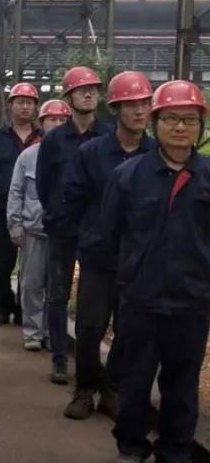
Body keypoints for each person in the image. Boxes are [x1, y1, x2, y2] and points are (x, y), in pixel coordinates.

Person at [89, 80, 209, 463]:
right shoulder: (129, 176)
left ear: (200, 126)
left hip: (192, 299)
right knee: (135, 377)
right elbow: (107, 235)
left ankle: (176, 453)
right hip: (141, 297)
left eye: (189, 119)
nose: (180, 127)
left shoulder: (207, 177)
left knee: (182, 380)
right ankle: (131, 447)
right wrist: (123, 279)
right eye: (171, 118)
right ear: (156, 123)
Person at [60, 71, 154, 421]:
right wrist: (89, 235)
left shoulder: (156, 153)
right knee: (89, 326)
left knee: (128, 329)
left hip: (139, 260)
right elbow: (72, 200)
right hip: (99, 257)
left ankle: (112, 389)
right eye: (131, 105)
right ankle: (85, 390)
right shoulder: (92, 153)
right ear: (115, 109)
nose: (139, 112)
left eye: (144, 104)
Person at [36, 66, 111, 386]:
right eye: (82, 89)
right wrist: (57, 213)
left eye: (93, 89)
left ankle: (89, 363)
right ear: (69, 97)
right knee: (58, 293)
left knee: (95, 298)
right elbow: (43, 184)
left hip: (97, 229)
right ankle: (59, 358)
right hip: (62, 228)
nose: (89, 93)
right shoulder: (54, 140)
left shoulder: (108, 136)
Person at [7, 99, 71, 351]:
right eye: (52, 119)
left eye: (62, 120)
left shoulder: (76, 155)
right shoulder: (28, 157)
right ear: (41, 123)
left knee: (58, 288)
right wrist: (15, 225)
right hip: (34, 231)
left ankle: (51, 332)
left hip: (63, 234)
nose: (57, 124)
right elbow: (16, 192)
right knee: (31, 285)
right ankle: (33, 332)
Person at [0, 82, 42, 327]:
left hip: (35, 212)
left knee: (31, 266)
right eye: (20, 102)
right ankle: (1, 308)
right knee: (3, 261)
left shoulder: (44, 139)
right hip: (3, 209)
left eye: (29, 103)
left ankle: (23, 310)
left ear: (36, 107)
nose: (25, 107)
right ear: (11, 106)